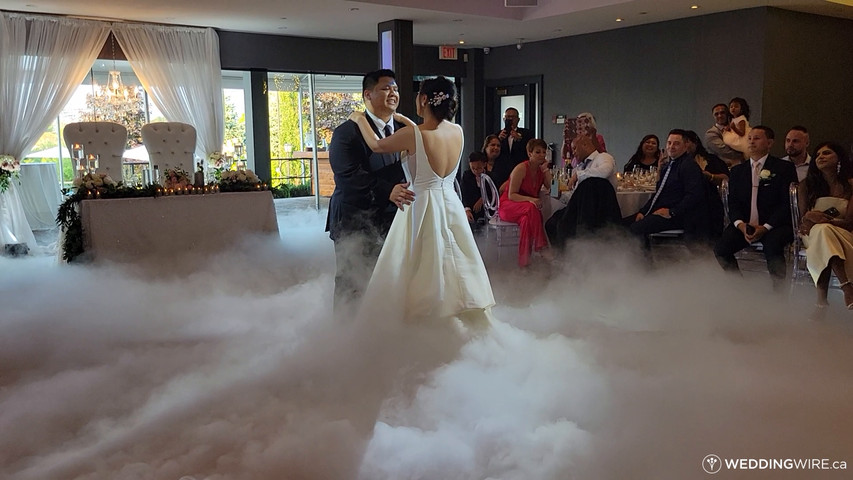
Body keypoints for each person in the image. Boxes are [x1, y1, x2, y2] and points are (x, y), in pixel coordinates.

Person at [347, 76, 494, 322]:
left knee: (419, 267)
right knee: (454, 263)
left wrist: (358, 119)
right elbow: (420, 131)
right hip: (450, 204)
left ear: (424, 99)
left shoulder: (414, 135)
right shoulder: (457, 131)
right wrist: (404, 121)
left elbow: (376, 145)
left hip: (422, 205)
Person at [325, 69, 413, 310]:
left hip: (391, 217)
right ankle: (344, 337)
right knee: (352, 281)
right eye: (386, 88)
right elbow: (348, 176)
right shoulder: (347, 133)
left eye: (395, 88)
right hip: (355, 218)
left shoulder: (402, 129)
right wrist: (388, 190)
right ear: (368, 94)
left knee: (387, 280)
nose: (393, 93)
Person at [714, 126, 798, 290]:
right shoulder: (738, 171)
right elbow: (733, 202)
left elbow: (785, 204)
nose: (751, 141)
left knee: (773, 246)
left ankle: (779, 293)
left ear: (770, 143)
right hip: (745, 224)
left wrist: (766, 227)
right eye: (750, 138)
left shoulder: (783, 168)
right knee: (721, 249)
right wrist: (740, 224)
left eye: (757, 138)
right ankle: (739, 287)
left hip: (774, 225)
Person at [797, 142, 853, 312]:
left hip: (844, 233)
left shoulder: (851, 185)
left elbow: (850, 222)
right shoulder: (806, 186)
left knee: (824, 232)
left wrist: (823, 220)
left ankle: (821, 302)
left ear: (839, 159)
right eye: (818, 154)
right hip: (811, 235)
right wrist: (809, 216)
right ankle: (847, 287)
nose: (821, 157)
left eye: (827, 153)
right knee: (822, 233)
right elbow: (803, 221)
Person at [626, 129, 708, 245]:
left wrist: (672, 212)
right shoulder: (669, 165)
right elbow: (657, 194)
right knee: (622, 224)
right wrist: (643, 212)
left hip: (679, 216)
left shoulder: (688, 166)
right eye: (669, 143)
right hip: (661, 211)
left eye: (676, 143)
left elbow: (694, 195)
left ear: (685, 146)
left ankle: (644, 262)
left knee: (636, 229)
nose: (671, 146)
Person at [498, 138, 552, 267]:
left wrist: (545, 170)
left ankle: (524, 263)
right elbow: (511, 195)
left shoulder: (540, 171)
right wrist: (531, 199)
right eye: (538, 152)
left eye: (544, 152)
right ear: (530, 153)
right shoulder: (521, 168)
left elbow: (552, 187)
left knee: (526, 221)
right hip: (508, 206)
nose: (542, 155)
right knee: (532, 208)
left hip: (526, 209)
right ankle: (541, 246)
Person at [684, 129, 729, 241]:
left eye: (686, 142)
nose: (684, 146)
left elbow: (726, 178)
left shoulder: (711, 160)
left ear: (695, 143)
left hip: (709, 200)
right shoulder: (675, 163)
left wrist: (710, 176)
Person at [491, 108, 533, 191]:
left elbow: (531, 148)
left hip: (520, 169)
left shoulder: (526, 134)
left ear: (518, 119)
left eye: (513, 117)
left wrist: (519, 138)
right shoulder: (498, 135)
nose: (510, 119)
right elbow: (491, 152)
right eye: (508, 117)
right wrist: (499, 139)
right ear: (504, 119)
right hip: (502, 170)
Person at [705, 103, 744, 167]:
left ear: (728, 114)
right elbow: (726, 152)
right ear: (713, 116)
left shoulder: (737, 127)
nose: (720, 116)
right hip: (723, 170)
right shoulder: (711, 134)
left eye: (722, 112)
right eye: (716, 114)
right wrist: (745, 152)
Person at [461, 151, 487, 227]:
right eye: (473, 168)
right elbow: (463, 193)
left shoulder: (490, 176)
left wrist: (483, 198)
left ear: (484, 165)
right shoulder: (467, 175)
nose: (476, 171)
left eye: (479, 168)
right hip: (471, 208)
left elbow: (493, 193)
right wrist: (467, 209)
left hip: (486, 211)